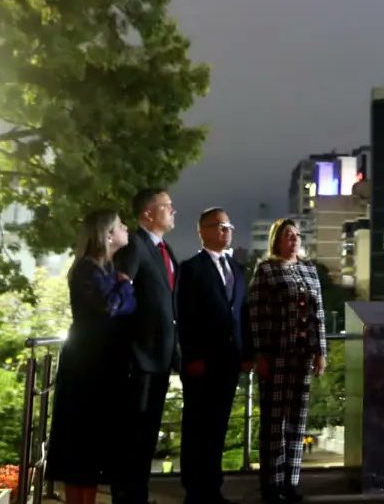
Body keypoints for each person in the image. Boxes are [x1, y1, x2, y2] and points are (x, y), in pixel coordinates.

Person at [47, 210, 136, 504]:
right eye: (121, 226)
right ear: (108, 235)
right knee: (80, 445)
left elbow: (123, 308)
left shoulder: (107, 269)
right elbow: (110, 307)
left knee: (93, 447)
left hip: (102, 366)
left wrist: (122, 288)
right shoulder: (87, 269)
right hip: (85, 368)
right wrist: (125, 285)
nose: (126, 229)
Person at [176, 207, 252, 504]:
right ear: (203, 231)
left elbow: (242, 314)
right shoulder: (191, 268)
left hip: (230, 360)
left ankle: (213, 486)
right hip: (201, 361)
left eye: (228, 226)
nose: (226, 230)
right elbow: (184, 316)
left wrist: (248, 354)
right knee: (197, 425)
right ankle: (194, 489)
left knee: (218, 425)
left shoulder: (239, 270)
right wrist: (191, 356)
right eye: (219, 226)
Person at [249, 218, 326, 504]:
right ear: (276, 240)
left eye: (296, 235)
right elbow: (256, 315)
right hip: (276, 354)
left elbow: (319, 313)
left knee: (297, 420)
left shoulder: (309, 270)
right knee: (274, 422)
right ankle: (271, 484)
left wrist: (321, 352)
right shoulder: (266, 270)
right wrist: (260, 355)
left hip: (303, 355)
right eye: (287, 235)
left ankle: (291, 483)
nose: (293, 239)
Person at [111, 187, 180, 504]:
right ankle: (126, 494)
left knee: (148, 431)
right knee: (132, 433)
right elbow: (120, 297)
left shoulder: (166, 250)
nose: (173, 210)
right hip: (138, 358)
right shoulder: (135, 246)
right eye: (167, 206)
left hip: (161, 358)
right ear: (148, 214)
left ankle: (137, 491)